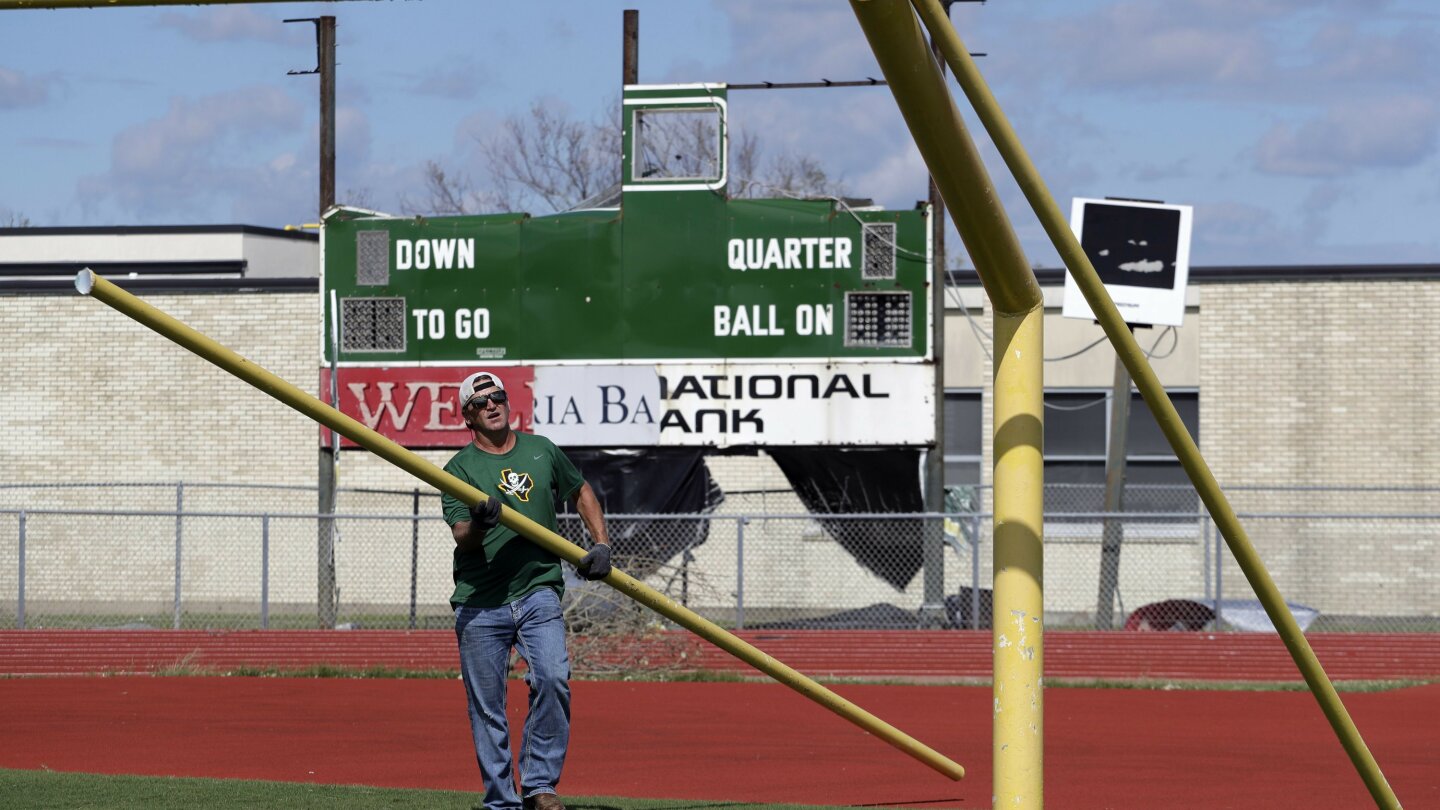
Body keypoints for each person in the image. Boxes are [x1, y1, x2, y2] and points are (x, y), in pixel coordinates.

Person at [441, 370, 612, 810]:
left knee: (553, 678)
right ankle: (502, 801)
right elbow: (462, 533)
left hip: (538, 589)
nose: (491, 404)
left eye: (497, 396)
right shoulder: (458, 470)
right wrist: (479, 523)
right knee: (487, 708)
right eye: (480, 402)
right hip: (480, 600)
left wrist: (601, 543)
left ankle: (539, 786)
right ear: (468, 417)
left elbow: (581, 491)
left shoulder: (541, 450)